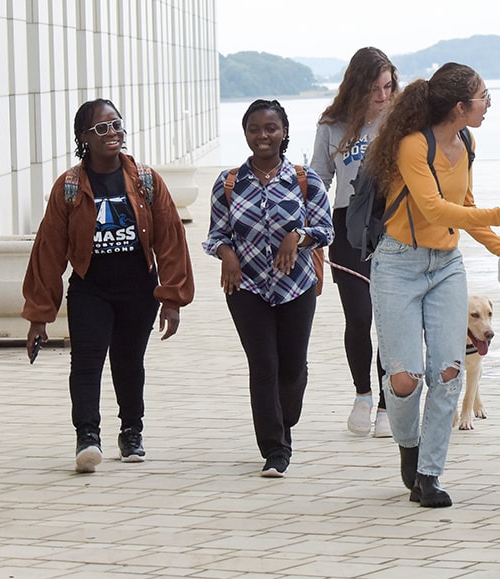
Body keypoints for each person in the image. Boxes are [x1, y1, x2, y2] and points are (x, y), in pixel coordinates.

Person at [368, 63, 500, 508]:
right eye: (485, 98)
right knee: (404, 378)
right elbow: (434, 209)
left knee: (448, 371)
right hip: (398, 265)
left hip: (446, 265)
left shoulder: (466, 141)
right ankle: (410, 447)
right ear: (461, 106)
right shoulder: (413, 145)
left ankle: (429, 474)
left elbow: (464, 207)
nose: (488, 105)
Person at [23, 99, 195, 474]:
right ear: (83, 137)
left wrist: (172, 298)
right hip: (91, 289)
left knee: (129, 362)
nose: (112, 133)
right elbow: (49, 251)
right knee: (86, 362)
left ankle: (131, 432)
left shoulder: (146, 180)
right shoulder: (69, 187)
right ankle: (87, 436)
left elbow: (170, 240)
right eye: (101, 128)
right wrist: (39, 316)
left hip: (139, 289)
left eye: (116, 124)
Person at [206, 99, 335, 478]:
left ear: (284, 132)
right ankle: (275, 450)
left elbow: (325, 230)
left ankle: (285, 418)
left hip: (296, 287)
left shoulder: (305, 180)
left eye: (270, 128)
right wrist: (227, 254)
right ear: (245, 134)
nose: (262, 135)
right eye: (254, 129)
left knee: (291, 368)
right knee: (263, 365)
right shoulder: (229, 183)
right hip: (245, 287)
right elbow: (216, 234)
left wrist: (297, 236)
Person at [311, 47, 399, 438]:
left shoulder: (401, 121)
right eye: (374, 89)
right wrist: (311, 232)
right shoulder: (332, 125)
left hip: (391, 225)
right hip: (346, 226)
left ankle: (386, 404)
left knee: (389, 318)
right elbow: (318, 179)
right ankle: (363, 394)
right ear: (356, 87)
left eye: (388, 87)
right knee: (359, 316)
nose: (382, 96)